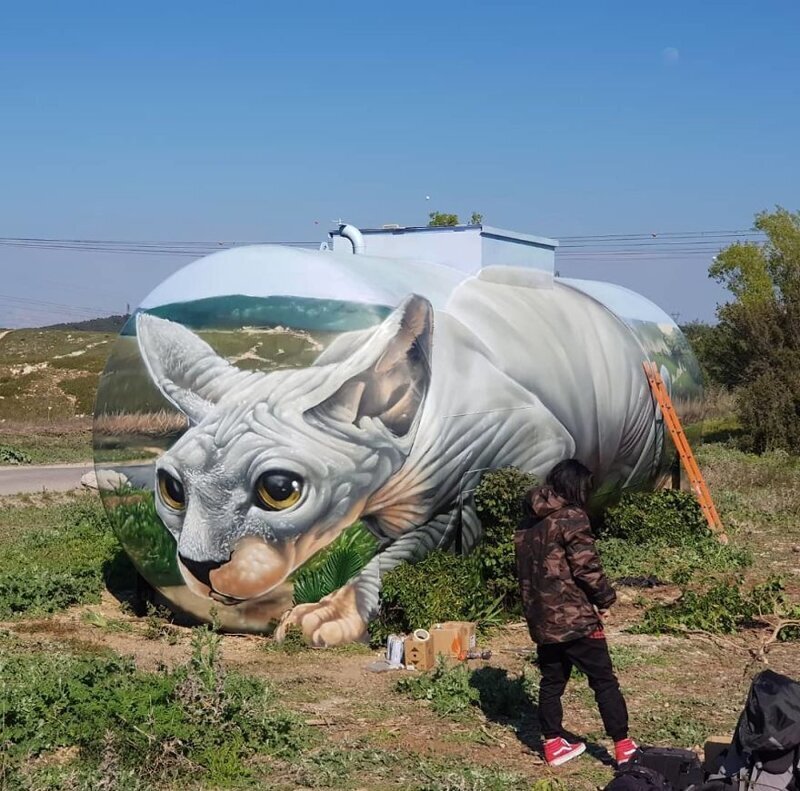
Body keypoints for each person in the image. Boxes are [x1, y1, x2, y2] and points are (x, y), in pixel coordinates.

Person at [515, 459, 638, 768]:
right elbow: (586, 566)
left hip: (542, 619)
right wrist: (606, 598)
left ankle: (553, 744)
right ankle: (624, 746)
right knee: (604, 681)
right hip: (575, 618)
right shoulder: (571, 517)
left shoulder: (527, 523)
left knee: (552, 681)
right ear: (573, 486)